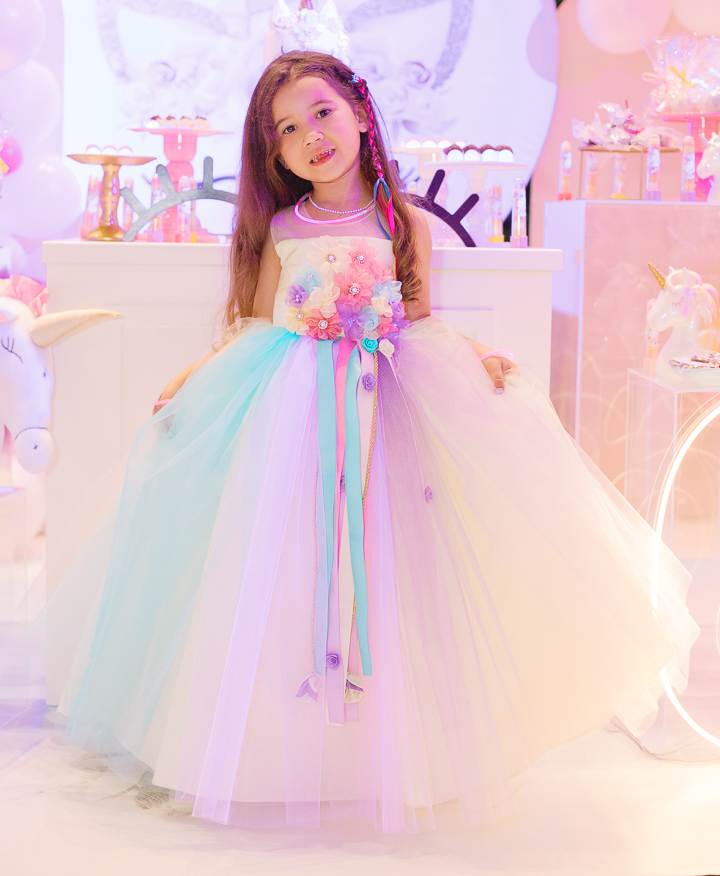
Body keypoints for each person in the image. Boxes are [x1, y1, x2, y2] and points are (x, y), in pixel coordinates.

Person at [56, 51, 697, 833]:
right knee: (288, 561)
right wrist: (197, 374)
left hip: (384, 401)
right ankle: (279, 745)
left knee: (387, 562)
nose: (311, 137)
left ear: (360, 113)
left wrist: (474, 355)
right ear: (274, 154)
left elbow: (419, 319)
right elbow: (259, 323)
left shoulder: (403, 224)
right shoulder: (283, 228)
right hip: (289, 409)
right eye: (287, 130)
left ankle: (380, 746)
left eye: (322, 113)